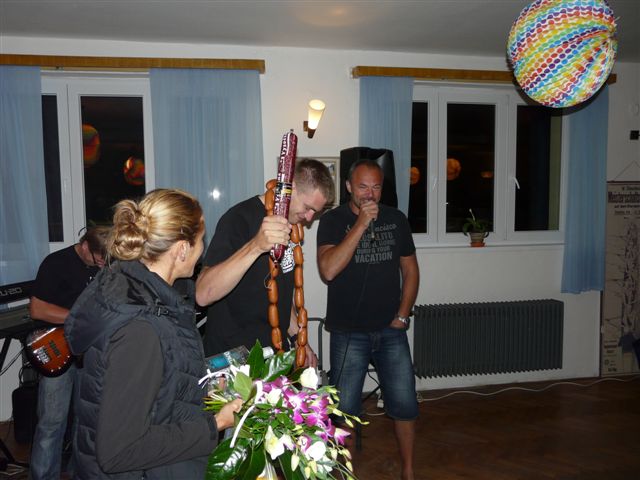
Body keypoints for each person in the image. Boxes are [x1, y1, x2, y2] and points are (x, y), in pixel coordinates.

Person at [64, 189, 242, 479]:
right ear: (182, 250)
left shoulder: (144, 294)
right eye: (201, 240)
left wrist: (203, 390)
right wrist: (216, 424)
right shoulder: (140, 329)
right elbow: (120, 450)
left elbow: (159, 392)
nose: (202, 250)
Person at [316, 159, 420, 480]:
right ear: (349, 186)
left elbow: (410, 270)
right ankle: (346, 474)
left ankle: (408, 471)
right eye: (362, 186)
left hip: (391, 330)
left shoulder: (396, 219)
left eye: (376, 187)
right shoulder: (333, 221)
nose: (370, 194)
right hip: (349, 332)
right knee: (344, 410)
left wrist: (403, 315)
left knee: (405, 404)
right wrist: (360, 224)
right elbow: (328, 270)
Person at [196, 158, 334, 361]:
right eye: (307, 207)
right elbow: (203, 294)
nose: (309, 218)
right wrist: (256, 246)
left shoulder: (289, 226)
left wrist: (299, 341)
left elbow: (280, 294)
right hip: (233, 359)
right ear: (290, 188)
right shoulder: (238, 219)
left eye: (316, 211)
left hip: (272, 357)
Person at [29, 225, 110, 480]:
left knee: (86, 421)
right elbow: (37, 309)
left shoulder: (106, 267)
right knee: (51, 422)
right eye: (98, 259)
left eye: (105, 260)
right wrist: (79, 318)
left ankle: (79, 474)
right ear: (85, 245)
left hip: (90, 352)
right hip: (58, 351)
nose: (101, 265)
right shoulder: (55, 263)